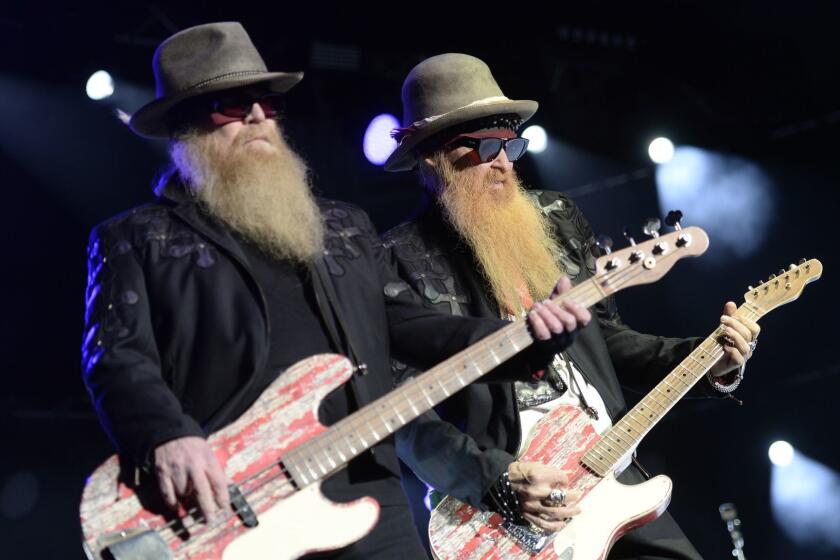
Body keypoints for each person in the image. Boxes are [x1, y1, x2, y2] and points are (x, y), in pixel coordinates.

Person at [80, 27, 590, 559]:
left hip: (366, 482)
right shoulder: (138, 237)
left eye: (266, 103)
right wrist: (166, 435)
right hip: (233, 500)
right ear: (184, 127)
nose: (257, 116)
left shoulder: (340, 227)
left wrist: (527, 337)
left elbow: (411, 327)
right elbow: (115, 356)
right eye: (231, 107)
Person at [383, 53, 760, 558]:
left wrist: (709, 357)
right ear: (431, 158)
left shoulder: (555, 217)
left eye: (512, 144)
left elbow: (605, 341)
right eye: (486, 146)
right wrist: (495, 480)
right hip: (504, 510)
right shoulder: (395, 260)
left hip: (608, 473)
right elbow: (405, 417)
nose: (504, 161)